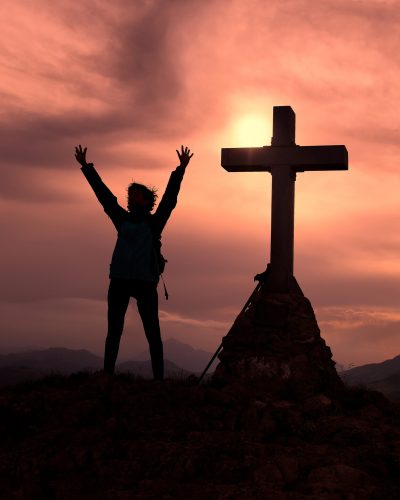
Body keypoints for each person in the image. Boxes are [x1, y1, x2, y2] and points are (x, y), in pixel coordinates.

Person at [74, 144, 193, 379]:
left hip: (144, 282)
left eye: (136, 194)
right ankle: (108, 375)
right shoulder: (122, 219)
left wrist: (180, 170)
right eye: (131, 194)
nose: (131, 196)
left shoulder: (154, 223)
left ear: (147, 200)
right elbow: (104, 197)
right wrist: (87, 168)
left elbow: (169, 200)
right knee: (114, 331)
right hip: (119, 279)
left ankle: (158, 379)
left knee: (152, 332)